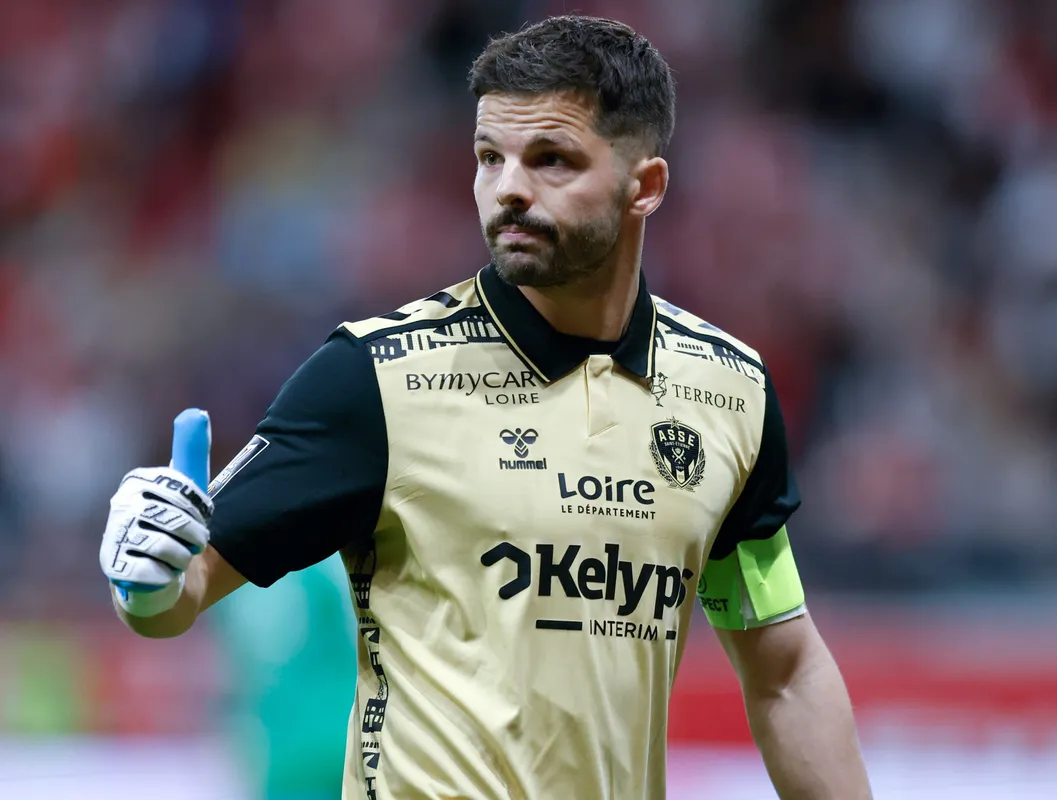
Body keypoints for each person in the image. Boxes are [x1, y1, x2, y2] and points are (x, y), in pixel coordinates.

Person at [99, 15, 873, 800]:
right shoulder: (375, 379)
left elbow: (784, 668)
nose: (509, 189)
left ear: (644, 188)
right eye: (489, 157)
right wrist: (149, 576)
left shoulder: (729, 392)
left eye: (551, 159)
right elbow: (181, 594)